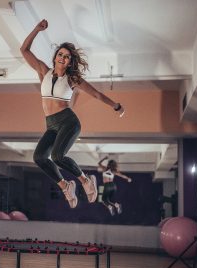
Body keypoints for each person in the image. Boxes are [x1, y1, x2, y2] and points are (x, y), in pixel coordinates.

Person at [20, 19, 125, 209]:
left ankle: (85, 181)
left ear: (70, 62)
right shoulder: (43, 70)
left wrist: (114, 105)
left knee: (58, 156)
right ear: (55, 57)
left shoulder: (72, 78)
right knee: (39, 157)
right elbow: (24, 50)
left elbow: (95, 93)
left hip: (68, 121)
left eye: (67, 57)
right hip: (51, 124)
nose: (62, 58)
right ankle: (65, 185)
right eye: (60, 54)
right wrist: (36, 29)